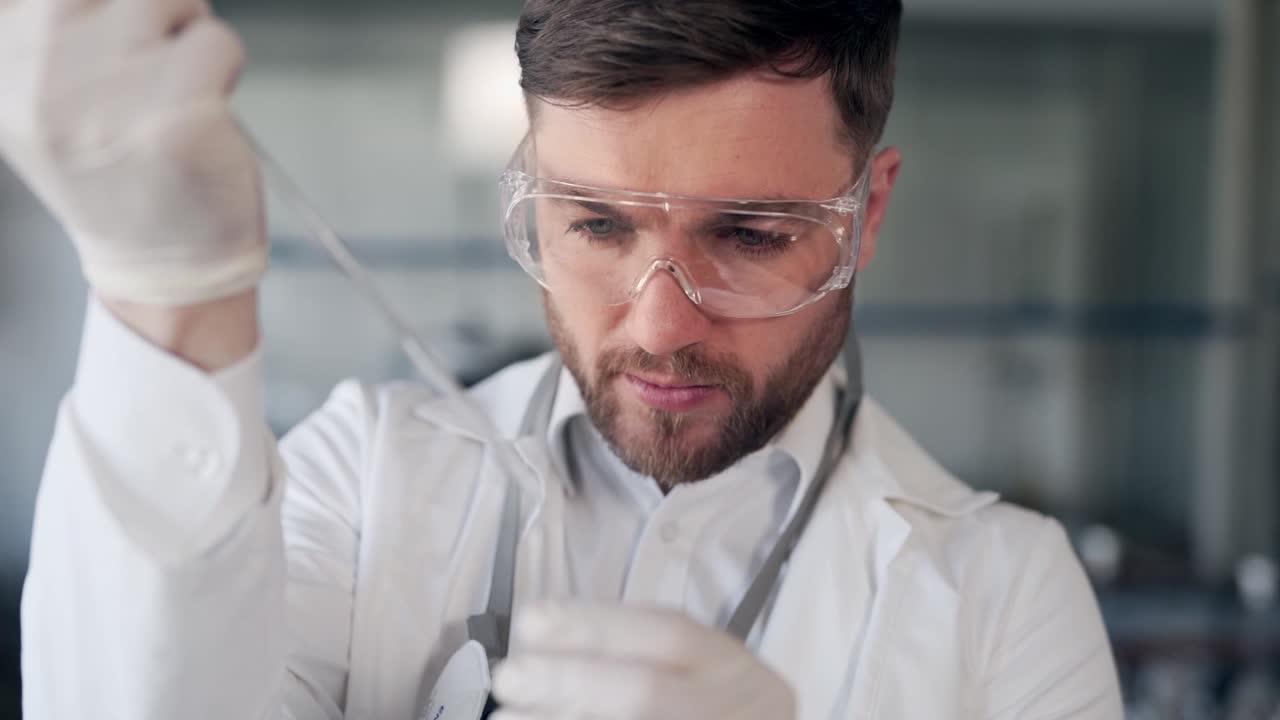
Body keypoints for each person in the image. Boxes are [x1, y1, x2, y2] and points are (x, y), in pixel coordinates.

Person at [3, 0, 1124, 717]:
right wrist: (167, 292)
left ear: (865, 213)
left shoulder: (1002, 598)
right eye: (595, 225)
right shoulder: (364, 480)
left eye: (749, 236)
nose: (660, 327)